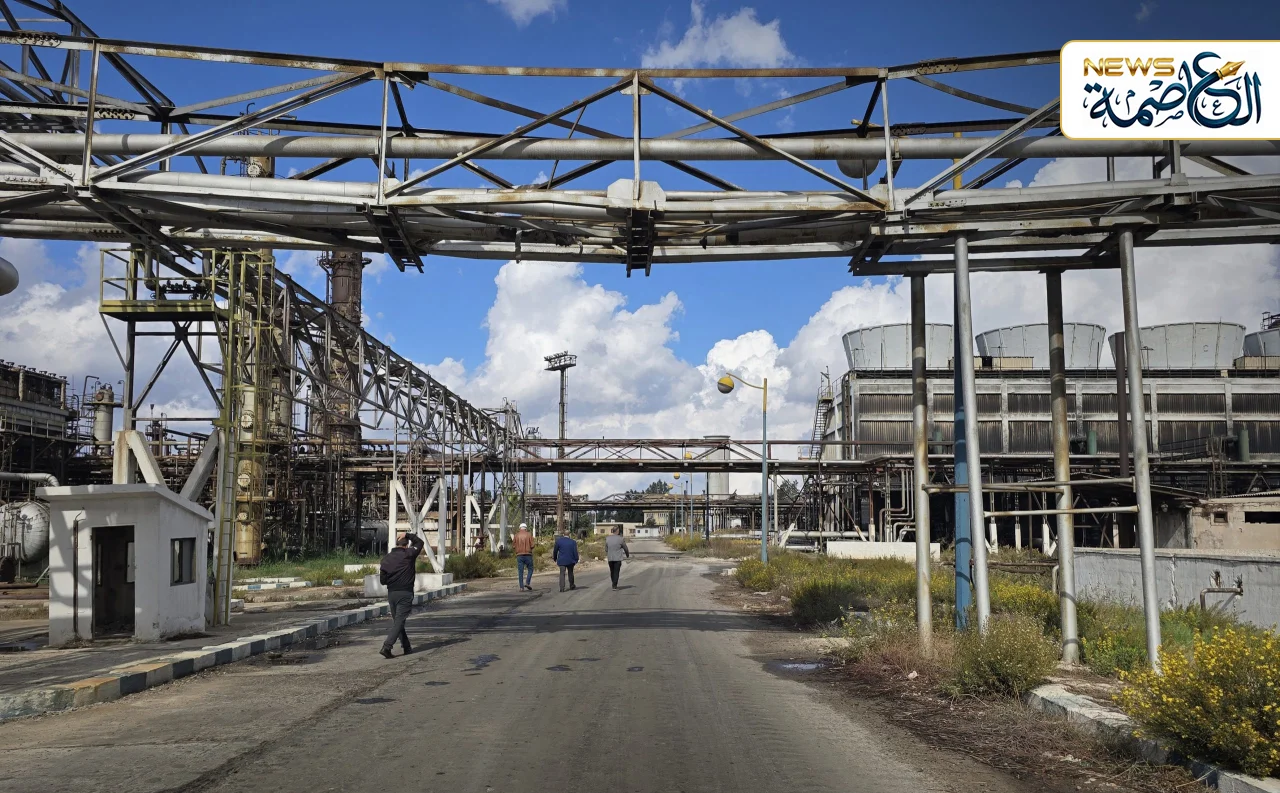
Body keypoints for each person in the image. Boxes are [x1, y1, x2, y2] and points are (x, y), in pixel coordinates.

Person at [377, 532, 424, 659]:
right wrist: (407, 534)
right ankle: (387, 647)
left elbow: (382, 581)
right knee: (399, 622)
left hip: (392, 594)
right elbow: (420, 542)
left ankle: (407, 647)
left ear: (396, 544)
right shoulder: (409, 554)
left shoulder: (386, 559)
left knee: (398, 622)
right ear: (406, 545)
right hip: (405, 593)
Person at [512, 522, 535, 591]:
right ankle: (527, 582)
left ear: (520, 528)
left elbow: (513, 546)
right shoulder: (529, 534)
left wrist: (517, 548)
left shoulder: (516, 535)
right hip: (528, 554)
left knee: (520, 571)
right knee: (530, 569)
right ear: (526, 528)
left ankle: (521, 587)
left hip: (519, 555)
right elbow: (532, 545)